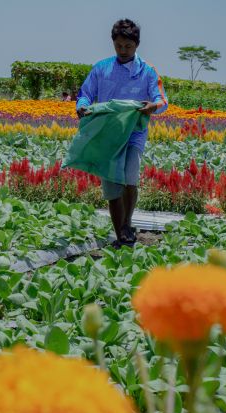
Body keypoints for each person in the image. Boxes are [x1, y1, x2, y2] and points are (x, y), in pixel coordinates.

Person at [76, 18, 167, 248]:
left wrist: (152, 106)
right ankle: (121, 234)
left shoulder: (147, 71)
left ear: (137, 45)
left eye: (128, 46)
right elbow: (85, 93)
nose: (123, 51)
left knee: (129, 178)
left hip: (134, 134)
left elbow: (162, 100)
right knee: (111, 183)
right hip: (108, 133)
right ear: (113, 43)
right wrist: (82, 107)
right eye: (118, 46)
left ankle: (126, 222)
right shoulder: (101, 69)